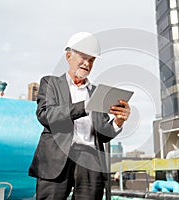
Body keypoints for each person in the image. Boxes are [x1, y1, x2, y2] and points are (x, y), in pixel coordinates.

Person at [29, 32, 131, 200]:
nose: (87, 63)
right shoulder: (50, 83)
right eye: (83, 57)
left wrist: (118, 122)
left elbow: (103, 135)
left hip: (90, 160)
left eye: (91, 60)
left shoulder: (98, 93)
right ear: (68, 56)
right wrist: (84, 106)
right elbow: (45, 115)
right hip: (56, 159)